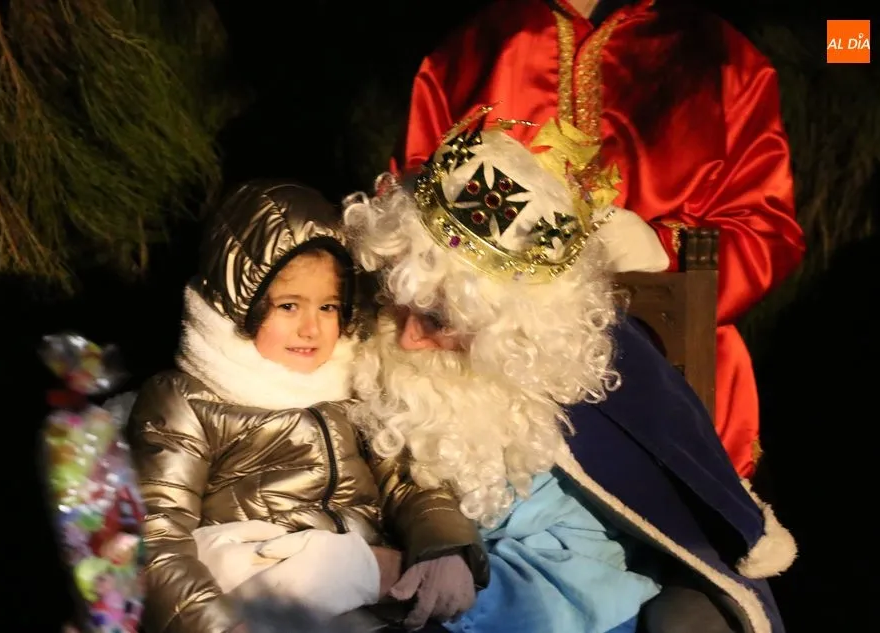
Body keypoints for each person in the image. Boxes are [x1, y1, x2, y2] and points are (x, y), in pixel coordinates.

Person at [343, 110, 797, 632]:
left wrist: (400, 582)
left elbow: (574, 591)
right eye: (395, 298)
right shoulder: (357, 343)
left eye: (439, 320)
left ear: (509, 331)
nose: (407, 339)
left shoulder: (565, 419)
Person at [391, 0, 806, 477]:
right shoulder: (475, 46)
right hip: (489, 395)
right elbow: (411, 209)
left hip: (668, 383)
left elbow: (767, 229)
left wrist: (663, 248)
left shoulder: (725, 61)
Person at [126, 180, 487, 633]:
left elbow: (405, 479)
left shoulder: (349, 384)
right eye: (289, 306)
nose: (311, 329)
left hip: (367, 604)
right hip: (261, 593)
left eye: (329, 307)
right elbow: (156, 535)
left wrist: (445, 547)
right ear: (241, 303)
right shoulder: (190, 398)